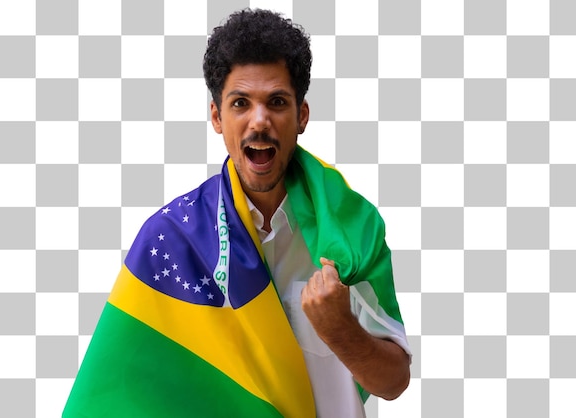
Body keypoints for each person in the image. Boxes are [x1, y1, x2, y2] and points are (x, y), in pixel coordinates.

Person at [63, 8, 410, 418]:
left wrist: (341, 330)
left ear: (301, 116)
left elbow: (394, 383)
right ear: (216, 116)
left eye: (277, 102)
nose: (259, 120)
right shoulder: (172, 238)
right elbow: (119, 386)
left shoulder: (353, 227)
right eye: (240, 103)